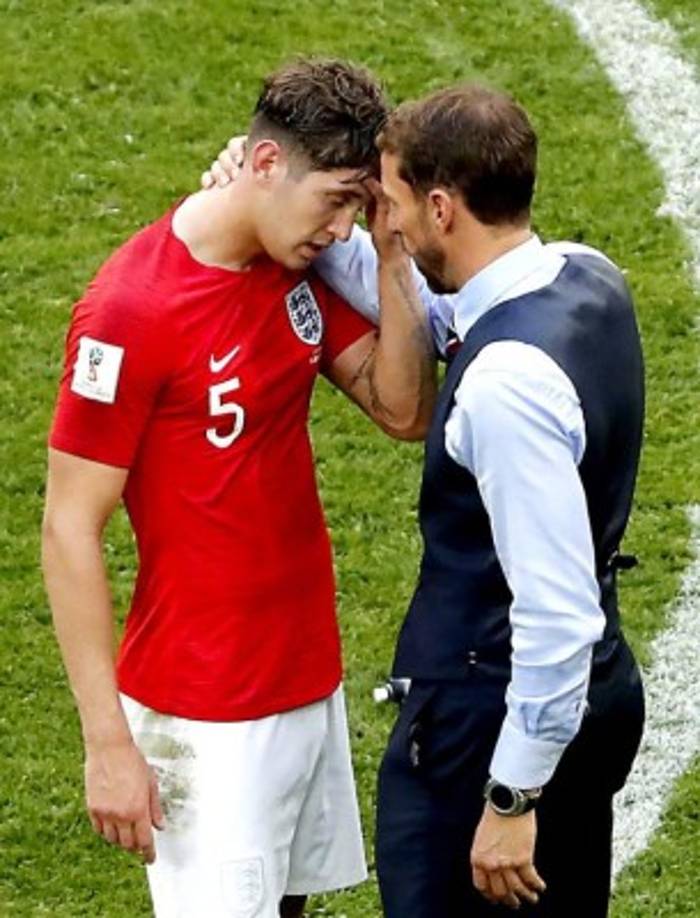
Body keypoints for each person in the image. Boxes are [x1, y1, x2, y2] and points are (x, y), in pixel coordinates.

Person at [209, 79, 647, 917]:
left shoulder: (507, 389)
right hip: (595, 697)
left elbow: (553, 618)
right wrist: (280, 215)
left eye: (394, 200)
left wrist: (512, 799)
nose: (389, 222)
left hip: (487, 727)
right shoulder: (589, 280)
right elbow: (439, 314)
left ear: (441, 207)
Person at [41, 58, 436, 918]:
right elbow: (69, 527)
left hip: (303, 678)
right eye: (334, 199)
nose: (341, 231)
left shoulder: (285, 267)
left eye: (355, 207)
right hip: (204, 708)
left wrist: (395, 260)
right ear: (264, 166)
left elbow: (402, 409)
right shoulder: (129, 311)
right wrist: (106, 743)